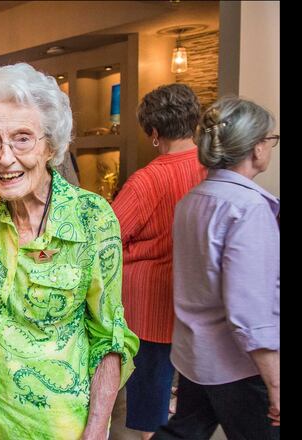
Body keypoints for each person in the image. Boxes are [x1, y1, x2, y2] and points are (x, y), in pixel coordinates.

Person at [0, 63, 139, 439]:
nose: (6, 158)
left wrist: (96, 429)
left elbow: (109, 336)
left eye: (22, 138)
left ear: (50, 146)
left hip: (56, 422)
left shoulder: (91, 218)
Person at [154, 97, 279, 439]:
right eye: (272, 140)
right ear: (256, 149)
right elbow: (250, 311)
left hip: (196, 355)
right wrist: (275, 381)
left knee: (182, 433)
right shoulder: (249, 207)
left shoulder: (193, 200)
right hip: (239, 366)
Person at [111, 83, 206, 439]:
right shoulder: (213, 170)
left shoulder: (146, 181)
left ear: (153, 132)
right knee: (187, 394)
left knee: (151, 392)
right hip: (194, 298)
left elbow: (108, 239)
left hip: (149, 301)